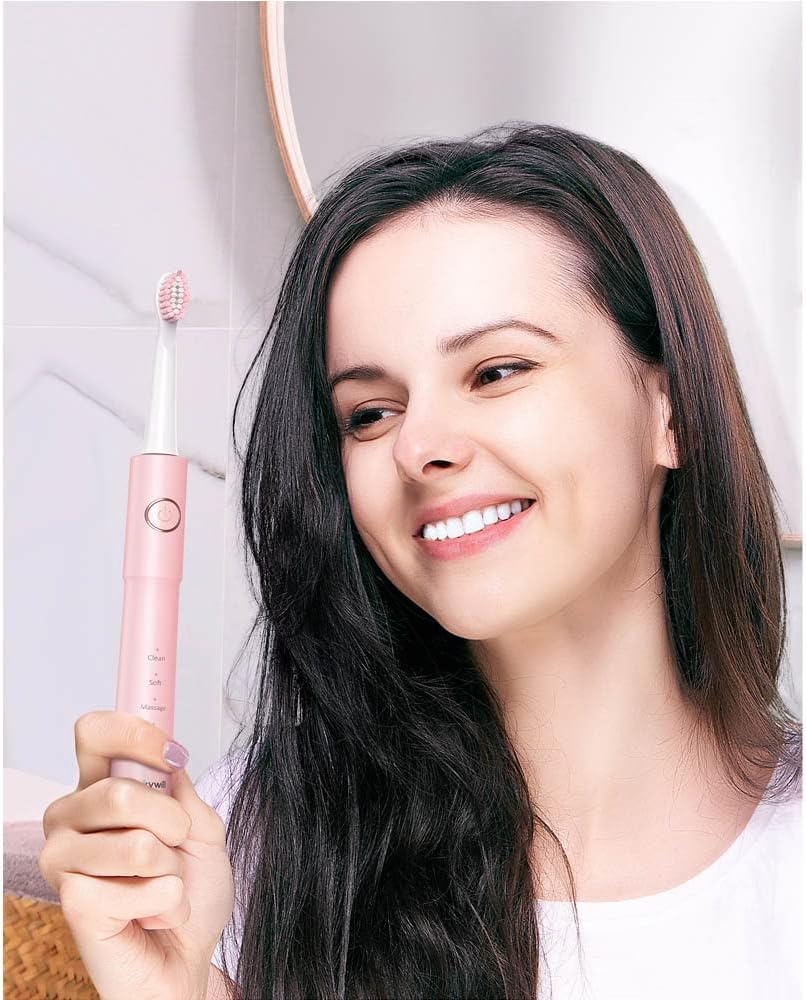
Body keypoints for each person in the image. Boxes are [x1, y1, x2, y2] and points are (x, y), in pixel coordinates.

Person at [42, 122, 802, 1000]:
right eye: (369, 413)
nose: (419, 447)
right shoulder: (237, 848)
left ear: (669, 410)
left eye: (497, 371)